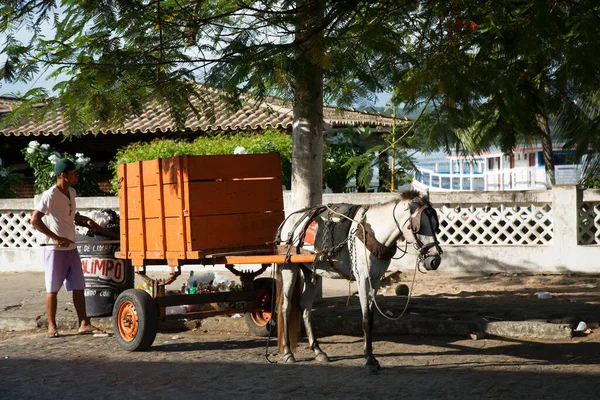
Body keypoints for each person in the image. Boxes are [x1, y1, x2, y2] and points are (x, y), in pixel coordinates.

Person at [31, 158, 105, 338]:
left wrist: (86, 220)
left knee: (79, 286)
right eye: (73, 172)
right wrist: (56, 238)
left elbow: (70, 215)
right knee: (52, 288)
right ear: (63, 174)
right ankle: (51, 326)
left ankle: (84, 323)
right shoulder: (50, 195)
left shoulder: (72, 191)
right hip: (54, 251)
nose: (77, 174)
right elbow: (35, 220)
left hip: (71, 248)